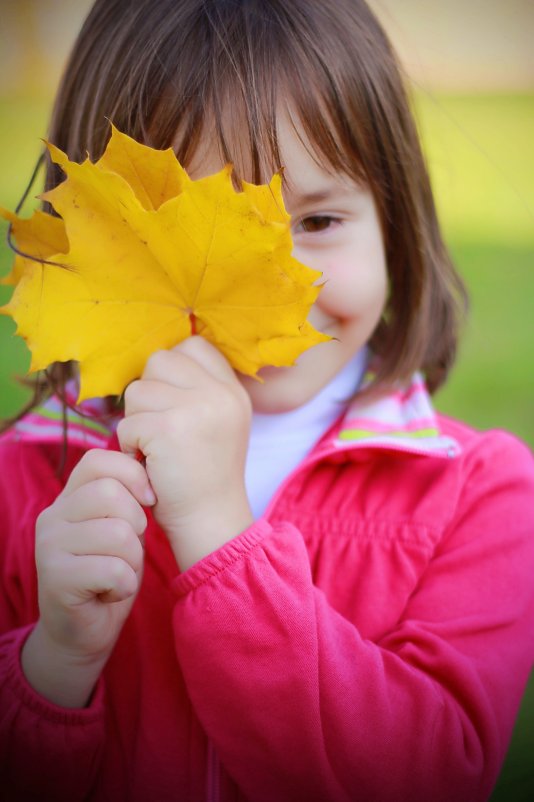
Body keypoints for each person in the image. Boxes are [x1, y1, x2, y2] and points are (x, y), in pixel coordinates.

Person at [1, 1, 533, 800]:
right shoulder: (24, 483)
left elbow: (428, 777)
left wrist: (221, 536)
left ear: (397, 223)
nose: (273, 291)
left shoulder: (485, 497)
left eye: (318, 220)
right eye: (202, 236)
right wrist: (53, 663)